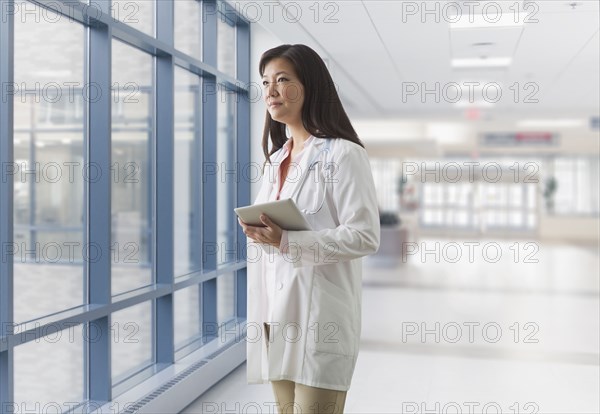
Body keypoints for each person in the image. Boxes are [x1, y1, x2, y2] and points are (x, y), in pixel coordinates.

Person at [237, 44, 380, 414]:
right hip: (276, 318)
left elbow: (364, 235)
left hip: (320, 320)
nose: (270, 91)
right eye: (266, 81)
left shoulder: (344, 155)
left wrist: (288, 242)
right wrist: (263, 235)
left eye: (283, 80)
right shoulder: (276, 161)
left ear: (311, 86)